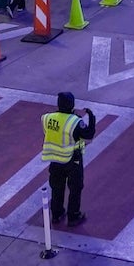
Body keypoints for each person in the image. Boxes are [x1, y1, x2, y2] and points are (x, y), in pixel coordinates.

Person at [41, 91, 96, 227]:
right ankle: (73, 216)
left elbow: (47, 132)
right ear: (72, 105)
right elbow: (88, 135)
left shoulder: (47, 118)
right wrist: (92, 118)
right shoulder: (75, 121)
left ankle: (56, 214)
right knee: (75, 187)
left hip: (54, 158)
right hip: (72, 159)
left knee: (57, 187)